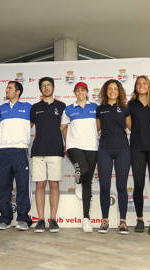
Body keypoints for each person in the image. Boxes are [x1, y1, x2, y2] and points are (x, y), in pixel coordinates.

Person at [128, 76, 150, 235]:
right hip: (137, 148)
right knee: (138, 184)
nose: (141, 86)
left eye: (144, 83)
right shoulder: (130, 104)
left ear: (148, 86)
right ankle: (140, 219)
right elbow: (129, 125)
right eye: (139, 84)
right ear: (135, 87)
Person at [0, 81, 32, 231]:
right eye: (7, 88)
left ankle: (23, 218)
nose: (7, 90)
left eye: (10, 88)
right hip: (3, 151)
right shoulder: (0, 108)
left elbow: (33, 123)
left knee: (23, 186)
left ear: (18, 92)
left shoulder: (28, 107)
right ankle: (5, 218)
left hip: (20, 150)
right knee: (3, 186)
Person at [61, 82, 98, 233]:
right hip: (74, 145)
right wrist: (68, 143)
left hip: (91, 147)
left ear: (87, 92)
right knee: (82, 169)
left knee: (88, 180)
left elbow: (98, 125)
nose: (80, 92)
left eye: (83, 90)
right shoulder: (69, 109)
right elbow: (63, 128)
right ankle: (78, 179)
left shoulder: (94, 107)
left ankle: (86, 218)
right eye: (78, 90)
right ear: (75, 93)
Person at [30, 77, 66, 233]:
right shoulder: (35, 107)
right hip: (38, 151)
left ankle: (53, 219)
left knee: (54, 185)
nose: (46, 88)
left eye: (48, 85)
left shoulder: (62, 106)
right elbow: (27, 127)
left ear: (53, 87)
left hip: (56, 150)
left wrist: (68, 145)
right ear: (40, 89)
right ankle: (40, 220)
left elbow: (64, 128)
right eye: (43, 86)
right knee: (39, 185)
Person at [96, 79, 131, 234]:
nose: (112, 91)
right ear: (105, 91)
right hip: (104, 150)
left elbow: (133, 127)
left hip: (123, 149)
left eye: (115, 89)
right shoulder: (100, 108)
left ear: (119, 91)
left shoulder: (125, 108)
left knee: (122, 186)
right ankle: (105, 220)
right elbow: (95, 129)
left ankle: (122, 221)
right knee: (104, 186)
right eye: (109, 89)